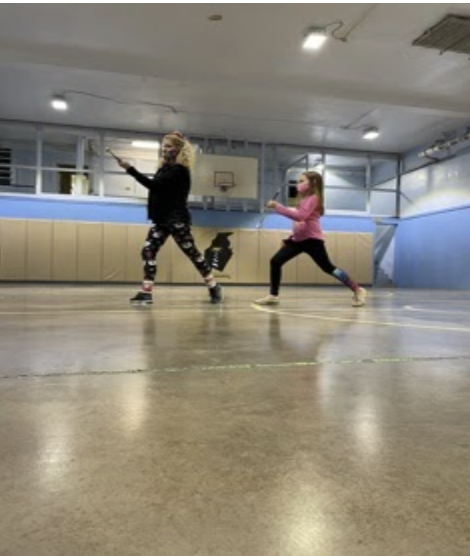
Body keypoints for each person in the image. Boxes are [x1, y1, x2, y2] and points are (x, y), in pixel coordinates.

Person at [116, 131, 223, 305]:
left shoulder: (179, 170)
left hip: (176, 219)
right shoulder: (164, 169)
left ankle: (213, 285)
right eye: (163, 146)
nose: (164, 150)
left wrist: (130, 169)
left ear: (178, 149)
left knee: (192, 254)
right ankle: (146, 292)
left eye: (168, 146)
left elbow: (154, 186)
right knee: (148, 251)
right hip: (161, 219)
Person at [254, 171, 367, 307]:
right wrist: (290, 239)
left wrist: (277, 206)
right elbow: (300, 224)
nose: (298, 184)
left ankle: (358, 290)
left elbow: (300, 217)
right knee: (276, 261)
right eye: (298, 181)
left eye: (302, 181)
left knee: (328, 268)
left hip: (313, 241)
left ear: (312, 183)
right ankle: (273, 295)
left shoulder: (314, 199)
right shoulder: (302, 200)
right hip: (297, 241)